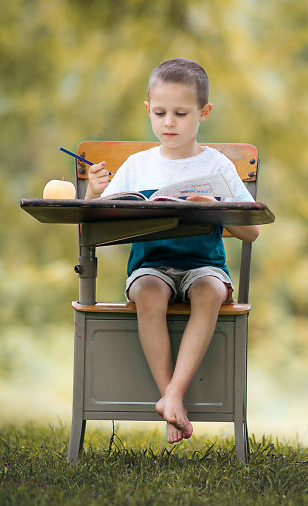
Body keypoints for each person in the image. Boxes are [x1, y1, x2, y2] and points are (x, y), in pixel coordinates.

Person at [85, 58, 259, 443]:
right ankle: (171, 397)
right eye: (160, 113)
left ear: (204, 112)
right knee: (148, 291)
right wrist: (93, 193)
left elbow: (251, 233)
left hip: (204, 266)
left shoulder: (219, 165)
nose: (169, 123)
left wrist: (214, 207)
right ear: (148, 109)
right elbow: (97, 228)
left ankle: (173, 395)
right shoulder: (137, 166)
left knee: (210, 291)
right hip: (151, 267)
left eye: (181, 113)